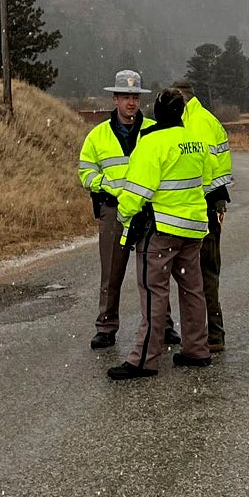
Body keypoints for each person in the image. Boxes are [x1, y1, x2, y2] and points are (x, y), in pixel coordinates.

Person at [107, 87, 212, 380]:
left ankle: (144, 360)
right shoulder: (196, 141)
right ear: (181, 112)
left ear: (157, 112)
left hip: (161, 232)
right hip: (193, 230)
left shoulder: (152, 143)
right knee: (193, 291)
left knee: (154, 293)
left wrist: (123, 215)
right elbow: (207, 178)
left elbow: (137, 191)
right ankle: (196, 350)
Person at [77, 70, 169, 351]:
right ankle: (106, 327)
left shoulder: (154, 130)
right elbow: (86, 171)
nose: (131, 102)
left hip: (148, 210)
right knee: (112, 271)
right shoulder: (97, 136)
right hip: (113, 210)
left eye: (135, 97)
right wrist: (106, 186)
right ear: (115, 99)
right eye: (125, 97)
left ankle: (163, 325)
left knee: (154, 273)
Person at [178, 82, 235, 353]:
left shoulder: (195, 123)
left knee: (202, 274)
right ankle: (211, 334)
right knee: (206, 272)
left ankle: (210, 335)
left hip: (200, 207)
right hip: (212, 203)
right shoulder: (207, 119)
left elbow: (199, 171)